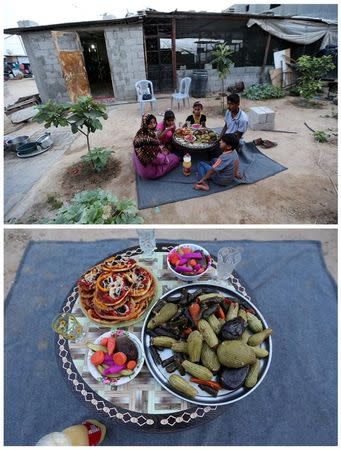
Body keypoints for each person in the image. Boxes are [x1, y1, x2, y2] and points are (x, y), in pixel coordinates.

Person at [133, 113, 180, 179]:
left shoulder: (140, 133)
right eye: (150, 123)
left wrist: (161, 149)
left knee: (165, 151)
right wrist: (165, 157)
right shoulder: (148, 140)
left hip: (139, 165)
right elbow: (157, 159)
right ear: (145, 123)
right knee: (175, 158)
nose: (153, 125)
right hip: (147, 171)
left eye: (154, 122)